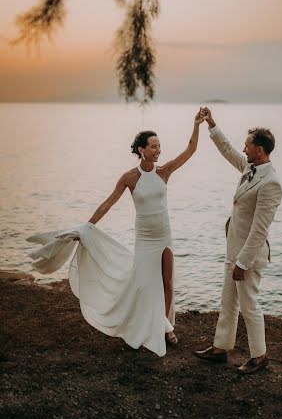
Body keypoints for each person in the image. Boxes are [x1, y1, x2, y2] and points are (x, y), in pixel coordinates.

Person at [28, 109, 205, 357]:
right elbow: (108, 203)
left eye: (159, 146)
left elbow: (191, 149)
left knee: (167, 283)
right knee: (144, 285)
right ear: (141, 150)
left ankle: (165, 327)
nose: (158, 150)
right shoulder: (129, 178)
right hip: (144, 240)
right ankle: (142, 324)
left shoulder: (164, 171)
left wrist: (196, 124)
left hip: (164, 236)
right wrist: (88, 226)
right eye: (153, 146)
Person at [194, 107, 282, 374]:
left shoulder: (270, 183)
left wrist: (242, 262)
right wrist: (211, 125)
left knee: (249, 306)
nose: (243, 149)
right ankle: (221, 348)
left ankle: (259, 356)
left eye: (248, 145)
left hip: (248, 256)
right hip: (233, 249)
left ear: (260, 149)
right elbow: (228, 151)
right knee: (228, 301)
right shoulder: (250, 168)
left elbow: (259, 229)